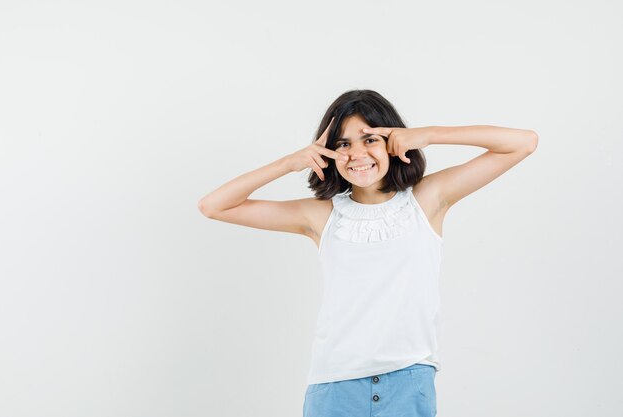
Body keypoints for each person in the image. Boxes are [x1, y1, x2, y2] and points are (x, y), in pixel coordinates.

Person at [198, 89, 538, 417]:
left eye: (370, 139)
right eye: (343, 144)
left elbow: (522, 143)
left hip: (408, 381)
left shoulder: (428, 199)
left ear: (392, 142)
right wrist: (290, 162)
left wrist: (428, 135)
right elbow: (214, 206)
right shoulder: (321, 215)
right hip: (334, 387)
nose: (357, 154)